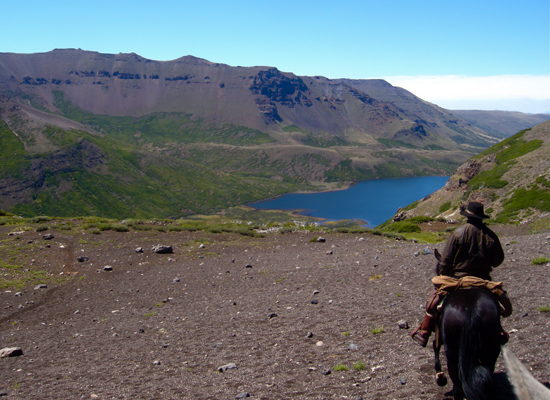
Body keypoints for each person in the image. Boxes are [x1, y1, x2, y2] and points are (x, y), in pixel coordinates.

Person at [411, 201, 510, 347]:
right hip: (482, 280)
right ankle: (498, 330)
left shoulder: (457, 233)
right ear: (481, 217)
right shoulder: (491, 236)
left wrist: (443, 275)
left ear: (467, 216)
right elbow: (498, 261)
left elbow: (446, 260)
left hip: (458, 279)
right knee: (494, 302)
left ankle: (424, 332)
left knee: (433, 300)